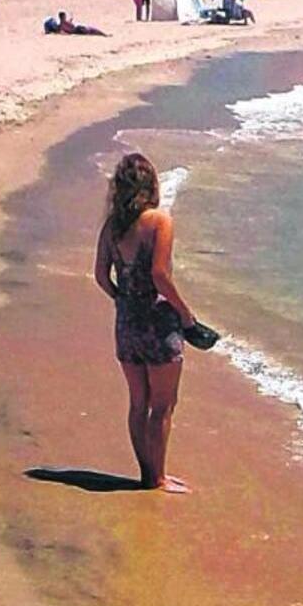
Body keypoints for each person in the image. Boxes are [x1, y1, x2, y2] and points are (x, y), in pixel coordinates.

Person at [93, 153, 197, 495]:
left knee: (138, 403)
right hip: (157, 321)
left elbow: (100, 276)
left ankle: (145, 473)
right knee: (163, 406)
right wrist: (184, 313)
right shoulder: (159, 221)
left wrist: (122, 300)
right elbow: (159, 274)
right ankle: (159, 477)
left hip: (127, 323)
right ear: (151, 184)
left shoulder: (113, 226)